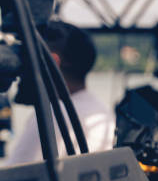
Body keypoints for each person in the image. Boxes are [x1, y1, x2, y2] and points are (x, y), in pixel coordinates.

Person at [3, 20, 115, 165]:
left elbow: (12, 180)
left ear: (52, 62)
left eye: (26, 57)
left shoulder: (53, 116)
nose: (19, 71)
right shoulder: (100, 109)